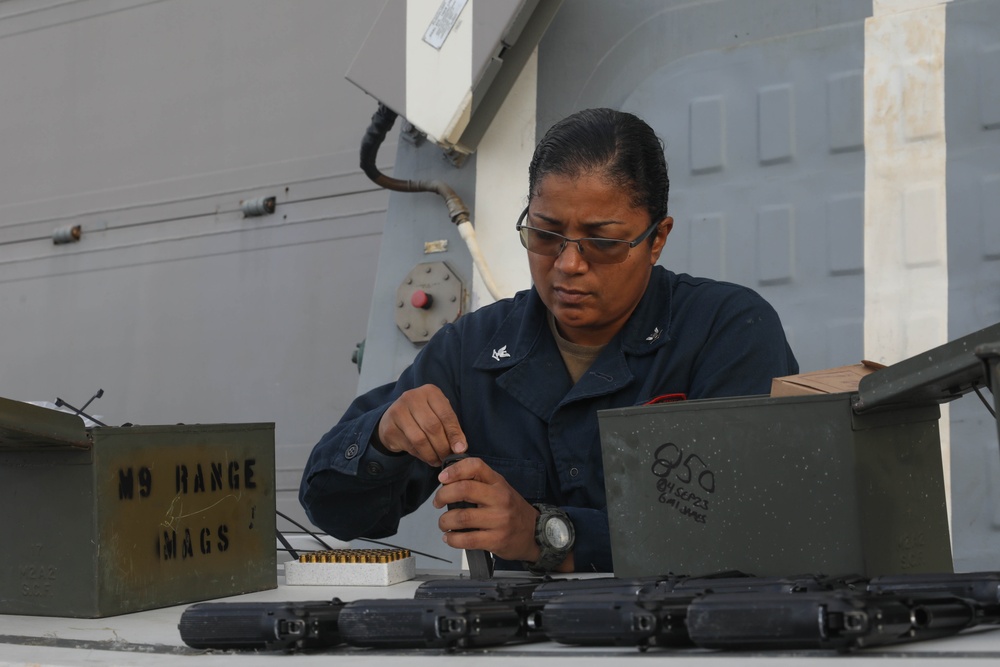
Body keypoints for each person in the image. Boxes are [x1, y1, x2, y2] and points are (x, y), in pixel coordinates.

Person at [299, 108, 798, 573]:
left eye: (602, 241)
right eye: (545, 235)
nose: (568, 265)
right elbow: (332, 510)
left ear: (658, 237)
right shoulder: (471, 352)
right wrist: (384, 436)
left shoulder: (727, 332)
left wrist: (546, 535)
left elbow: (756, 526)